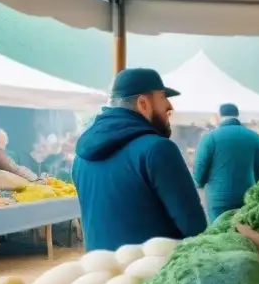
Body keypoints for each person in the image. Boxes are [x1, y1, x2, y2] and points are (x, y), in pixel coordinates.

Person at [72, 69, 207, 251]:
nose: (170, 106)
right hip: (154, 273)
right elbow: (194, 227)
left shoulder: (81, 154)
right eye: (163, 97)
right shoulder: (157, 149)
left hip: (102, 272)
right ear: (143, 103)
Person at [192, 104, 259, 222]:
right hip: (246, 198)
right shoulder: (255, 137)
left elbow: (199, 171)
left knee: (219, 236)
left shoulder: (210, 138)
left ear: (219, 116)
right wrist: (251, 180)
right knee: (243, 235)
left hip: (218, 201)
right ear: (237, 115)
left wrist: (200, 183)